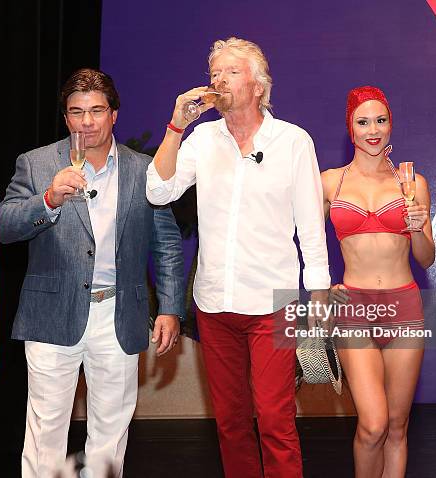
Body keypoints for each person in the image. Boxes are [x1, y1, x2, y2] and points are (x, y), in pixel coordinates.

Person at [146, 37, 331, 478]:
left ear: (258, 85)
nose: (218, 80)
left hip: (273, 304)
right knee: (230, 423)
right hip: (214, 305)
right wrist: (176, 127)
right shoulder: (202, 139)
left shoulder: (292, 141)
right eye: (214, 73)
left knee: (274, 418)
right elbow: (158, 190)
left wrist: (319, 293)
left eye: (230, 71)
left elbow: (310, 223)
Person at [0, 68, 185, 477]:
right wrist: (47, 199)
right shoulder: (36, 162)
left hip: (118, 313)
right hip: (50, 314)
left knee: (111, 432)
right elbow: (5, 227)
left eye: (97, 110)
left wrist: (170, 307)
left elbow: (166, 242)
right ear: (65, 117)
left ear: (114, 114)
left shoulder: (144, 169)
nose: (87, 121)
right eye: (76, 112)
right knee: (46, 431)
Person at [321, 86, 435, 477]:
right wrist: (322, 285)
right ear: (349, 129)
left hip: (404, 307)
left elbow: (427, 257)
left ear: (391, 125)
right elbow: (298, 237)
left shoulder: (412, 184)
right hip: (354, 308)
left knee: (397, 428)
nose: (373, 130)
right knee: (373, 425)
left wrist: (418, 228)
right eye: (363, 121)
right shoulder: (330, 183)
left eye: (381, 120)